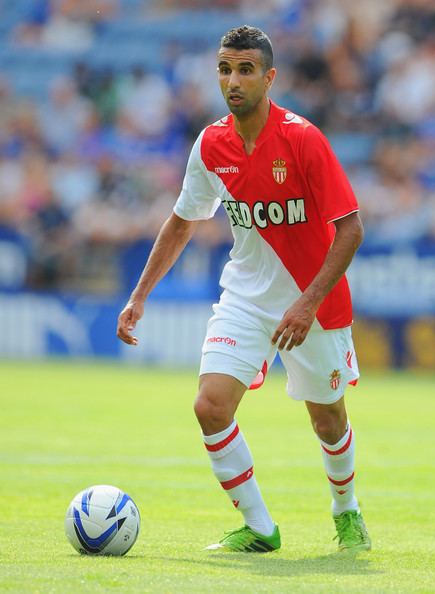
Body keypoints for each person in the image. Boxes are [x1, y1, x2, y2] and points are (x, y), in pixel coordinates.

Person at [117, 25, 371, 554]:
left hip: (313, 303)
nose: (233, 80)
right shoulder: (211, 144)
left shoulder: (302, 139)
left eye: (246, 69)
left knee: (328, 419)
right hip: (246, 298)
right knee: (210, 406)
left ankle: (346, 509)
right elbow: (183, 221)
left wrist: (306, 302)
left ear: (269, 77)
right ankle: (259, 526)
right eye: (225, 69)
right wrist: (140, 295)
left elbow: (350, 229)